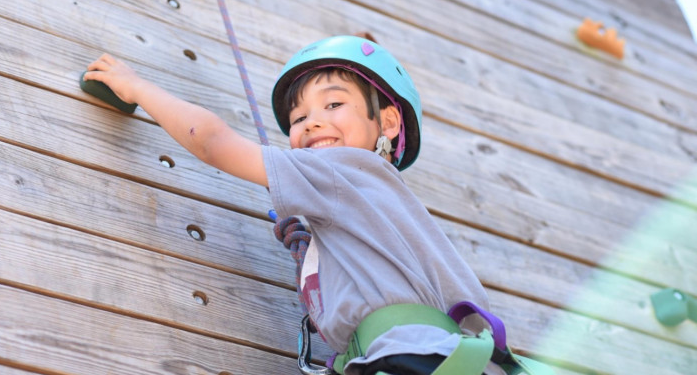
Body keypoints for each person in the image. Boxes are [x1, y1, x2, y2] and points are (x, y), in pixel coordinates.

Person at [84, 35, 505, 375]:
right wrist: (314, 257)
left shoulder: (346, 169)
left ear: (389, 123)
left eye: (334, 104)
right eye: (298, 118)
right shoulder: (380, 206)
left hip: (411, 360)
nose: (312, 122)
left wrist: (137, 87)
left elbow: (212, 143)